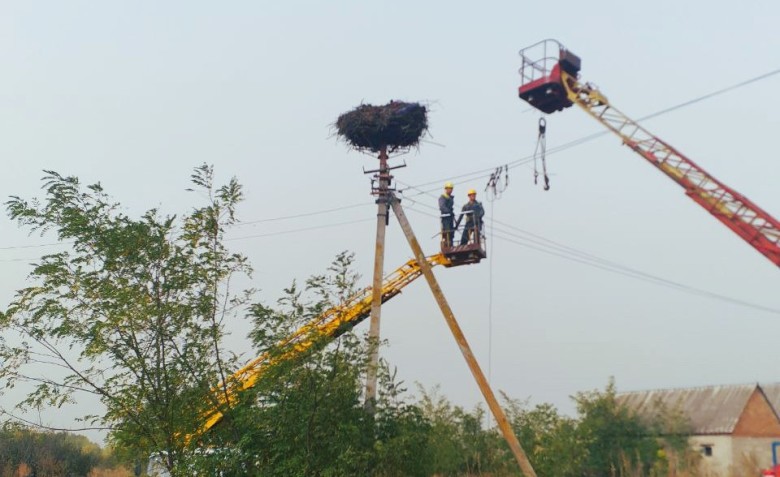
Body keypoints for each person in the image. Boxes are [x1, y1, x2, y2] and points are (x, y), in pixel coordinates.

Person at [438, 181, 455, 246]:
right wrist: (448, 212)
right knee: (447, 231)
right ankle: (447, 244)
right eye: (448, 188)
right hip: (445, 218)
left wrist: (451, 213)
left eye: (451, 188)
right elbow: (442, 207)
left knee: (451, 232)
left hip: (450, 217)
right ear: (446, 189)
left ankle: (450, 244)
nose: (450, 190)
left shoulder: (451, 198)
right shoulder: (442, 197)